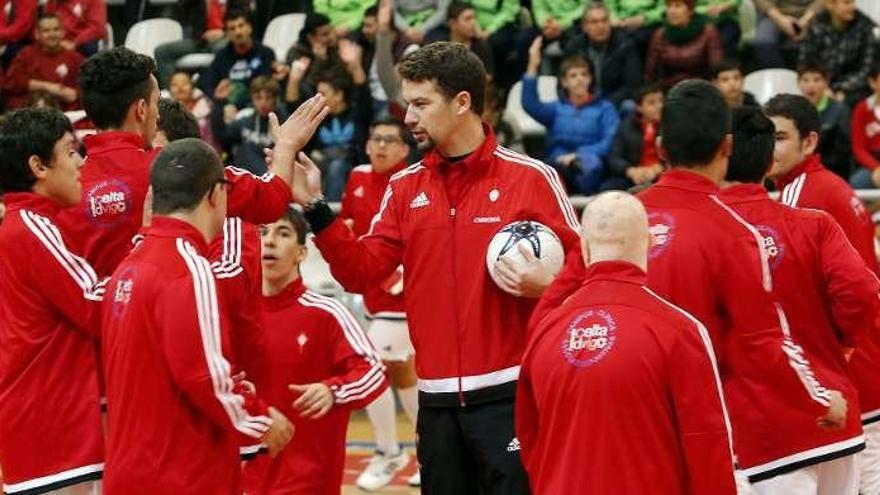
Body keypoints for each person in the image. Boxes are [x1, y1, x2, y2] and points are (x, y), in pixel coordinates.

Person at [292, 41, 581, 494]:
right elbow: (362, 273)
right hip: (436, 403)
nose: (409, 117)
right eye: (408, 104)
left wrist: (548, 285)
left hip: (514, 399)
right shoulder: (405, 188)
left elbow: (586, 276)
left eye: (421, 103)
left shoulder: (532, 178)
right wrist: (315, 207)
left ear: (462, 102)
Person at [533, 80, 849, 483]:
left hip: (602, 431)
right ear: (727, 147)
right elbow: (763, 343)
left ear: (661, 148)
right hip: (695, 433)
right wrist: (819, 399)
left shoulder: (618, 216)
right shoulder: (733, 233)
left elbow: (548, 317)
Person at [101, 138, 294, 494]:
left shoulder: (127, 268)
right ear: (216, 195)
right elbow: (203, 375)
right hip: (181, 475)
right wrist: (261, 418)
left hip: (127, 470)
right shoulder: (189, 268)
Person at [517, 191, 738, 494]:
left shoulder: (545, 331)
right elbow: (707, 444)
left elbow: (530, 442)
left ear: (583, 248)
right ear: (649, 242)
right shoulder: (679, 330)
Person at [55, 47, 328, 278]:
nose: (157, 115)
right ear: (140, 109)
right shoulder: (178, 169)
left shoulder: (58, 188)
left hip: (102, 336)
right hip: (169, 328)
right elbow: (270, 200)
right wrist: (286, 146)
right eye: (154, 102)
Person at [720, 106, 878, 494]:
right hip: (839, 402)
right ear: (766, 157)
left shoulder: (709, 228)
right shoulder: (824, 205)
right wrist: (842, 345)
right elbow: (862, 289)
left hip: (767, 425)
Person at [242, 207, 388, 494]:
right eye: (262, 233)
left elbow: (373, 371)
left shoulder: (326, 313)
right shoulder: (235, 314)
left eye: (282, 233)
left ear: (301, 253)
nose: (269, 241)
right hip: (243, 478)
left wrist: (333, 391)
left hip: (307, 480)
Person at [0, 108, 106, 495]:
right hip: (51, 432)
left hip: (44, 427)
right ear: (38, 166)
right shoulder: (31, 226)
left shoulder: (23, 224)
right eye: (70, 151)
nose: (80, 163)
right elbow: (94, 305)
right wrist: (147, 245)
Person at [339, 117, 421, 490]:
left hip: (403, 291)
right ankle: (425, 451)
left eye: (390, 140)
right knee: (402, 373)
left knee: (371, 365)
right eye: (376, 138)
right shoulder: (356, 177)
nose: (381, 146)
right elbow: (349, 225)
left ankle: (389, 451)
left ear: (405, 149)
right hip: (371, 289)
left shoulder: (414, 179)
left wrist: (398, 274)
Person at [765, 93, 877, 275]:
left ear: (809, 142)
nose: (768, 148)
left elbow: (790, 278)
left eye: (780, 138)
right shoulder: (828, 182)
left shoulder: (801, 197)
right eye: (766, 138)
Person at [523, 38, 620, 194]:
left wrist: (578, 155)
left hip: (592, 167)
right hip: (559, 163)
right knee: (541, 169)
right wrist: (533, 64)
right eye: (573, 76)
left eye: (584, 74)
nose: (580, 79)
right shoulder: (556, 109)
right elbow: (530, 104)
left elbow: (609, 142)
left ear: (590, 79)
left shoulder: (605, 109)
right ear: (564, 82)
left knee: (590, 165)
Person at [305, 70, 373, 201]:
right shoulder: (318, 118)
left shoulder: (358, 114)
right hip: (322, 164)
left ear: (339, 95)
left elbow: (363, 91)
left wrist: (355, 66)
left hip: (349, 165)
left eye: (323, 94)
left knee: (337, 166)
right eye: (317, 94)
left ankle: (333, 210)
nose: (317, 98)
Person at [563, 2, 643, 109]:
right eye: (594, 22)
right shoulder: (574, 47)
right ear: (585, 27)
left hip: (614, 103)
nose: (601, 26)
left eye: (604, 21)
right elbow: (562, 84)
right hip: (583, 103)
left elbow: (632, 86)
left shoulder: (625, 45)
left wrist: (604, 106)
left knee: (629, 106)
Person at [798, 0, 875, 106]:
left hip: (852, 89)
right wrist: (821, 86)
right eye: (847, 2)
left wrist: (839, 89)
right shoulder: (817, 24)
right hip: (820, 85)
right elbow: (805, 61)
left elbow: (867, 70)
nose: (852, 7)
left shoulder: (866, 26)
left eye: (853, 2)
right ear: (830, 5)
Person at [3, 13, 84, 111]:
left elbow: (87, 89)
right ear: (37, 34)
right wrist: (48, 87)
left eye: (56, 29)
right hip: (28, 112)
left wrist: (76, 94)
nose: (52, 34)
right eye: (46, 31)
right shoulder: (26, 54)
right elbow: (11, 83)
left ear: (63, 32)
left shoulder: (76, 58)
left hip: (65, 115)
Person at [199, 8, 276, 110]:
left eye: (241, 26)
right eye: (232, 28)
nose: (238, 32)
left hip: (255, 106)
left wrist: (236, 105)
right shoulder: (222, 56)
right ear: (227, 34)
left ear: (250, 27)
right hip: (227, 106)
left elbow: (264, 88)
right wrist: (215, 93)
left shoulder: (265, 53)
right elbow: (206, 81)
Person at [212, 75, 287, 175]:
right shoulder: (245, 122)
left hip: (271, 180)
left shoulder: (284, 125)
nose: (263, 102)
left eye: (268, 98)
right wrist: (219, 102)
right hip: (245, 180)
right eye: (258, 98)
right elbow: (222, 136)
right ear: (252, 98)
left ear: (275, 99)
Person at [645, 0, 724, 87]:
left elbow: (716, 67)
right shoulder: (660, 34)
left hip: (700, 88)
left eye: (677, 6)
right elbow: (651, 70)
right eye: (669, 6)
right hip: (669, 89)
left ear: (690, 11)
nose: (672, 11)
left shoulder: (708, 32)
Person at [154, 0, 230, 89]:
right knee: (162, 52)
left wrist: (224, 33)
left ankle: (223, 92)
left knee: (221, 49)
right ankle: (169, 96)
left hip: (227, 38)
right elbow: (182, 6)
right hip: (201, 40)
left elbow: (243, 19)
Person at [797, 63, 852, 180]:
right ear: (798, 83)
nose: (811, 85)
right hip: (798, 171)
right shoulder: (792, 111)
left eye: (816, 80)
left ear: (826, 82)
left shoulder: (840, 110)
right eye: (805, 80)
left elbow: (843, 152)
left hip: (832, 172)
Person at [605, 83, 665, 190]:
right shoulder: (625, 126)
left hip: (663, 175)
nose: (659, 106)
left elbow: (681, 156)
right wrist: (630, 171)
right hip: (634, 175)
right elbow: (614, 157)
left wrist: (659, 168)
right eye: (652, 103)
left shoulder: (671, 126)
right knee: (608, 188)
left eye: (661, 101)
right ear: (639, 107)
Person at [423, 1, 494, 78]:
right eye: (468, 19)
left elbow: (488, 76)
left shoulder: (480, 45)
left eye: (474, 18)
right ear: (453, 23)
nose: (473, 23)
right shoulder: (439, 45)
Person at [753, 0, 823, 69]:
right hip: (774, 13)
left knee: (821, 38)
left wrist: (805, 21)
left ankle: (814, 76)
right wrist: (779, 19)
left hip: (812, 13)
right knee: (764, 42)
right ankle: (781, 75)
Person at [849, 62, 880, 189]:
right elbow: (858, 148)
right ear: (872, 82)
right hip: (873, 163)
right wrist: (876, 168)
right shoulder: (862, 109)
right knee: (858, 181)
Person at [167, 70, 215, 145]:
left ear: (192, 87)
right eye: (174, 85)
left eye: (184, 83)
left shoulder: (208, 110)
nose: (180, 88)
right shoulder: (162, 113)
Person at [0, 0, 37, 68]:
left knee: (9, 55)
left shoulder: (29, 1)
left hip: (23, 40)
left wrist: (1, 36)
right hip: (4, 37)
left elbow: (21, 28)